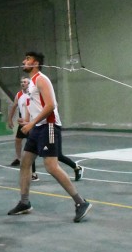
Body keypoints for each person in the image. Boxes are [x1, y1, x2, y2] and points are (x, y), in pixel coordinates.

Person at [7, 51, 91, 222]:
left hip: (49, 126)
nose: (24, 61)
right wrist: (27, 121)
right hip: (37, 127)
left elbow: (52, 105)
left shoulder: (41, 79)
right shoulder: (30, 84)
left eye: (27, 59)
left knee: (51, 166)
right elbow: (34, 105)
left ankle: (80, 202)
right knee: (25, 163)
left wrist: (32, 123)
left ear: (35, 63)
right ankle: (24, 202)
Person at [7, 78, 38, 181]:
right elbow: (14, 106)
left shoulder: (33, 94)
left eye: (25, 82)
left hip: (31, 123)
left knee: (31, 148)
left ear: (29, 84)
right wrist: (10, 119)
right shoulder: (19, 95)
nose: (22, 84)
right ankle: (19, 158)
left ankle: (33, 173)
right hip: (23, 122)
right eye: (21, 82)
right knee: (18, 140)